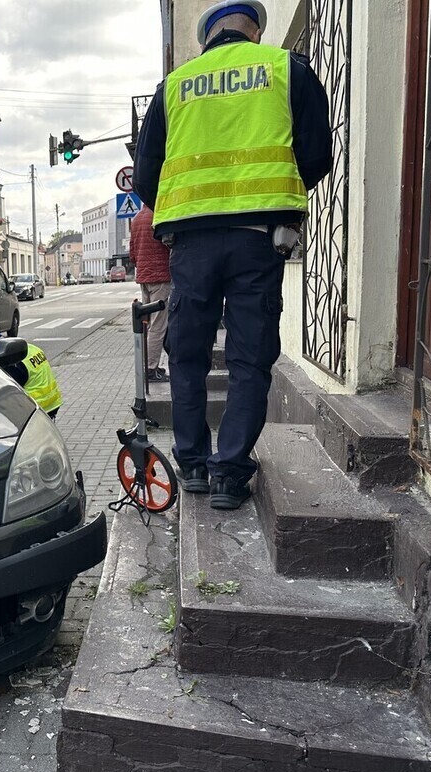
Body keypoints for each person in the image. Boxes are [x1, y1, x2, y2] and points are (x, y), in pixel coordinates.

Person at [132, 0, 333, 510]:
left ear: (208, 38)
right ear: (256, 31)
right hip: (258, 238)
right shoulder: (286, 69)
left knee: (189, 355)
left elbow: (145, 174)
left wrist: (187, 207)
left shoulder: (175, 85)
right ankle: (229, 474)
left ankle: (193, 464)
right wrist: (271, 199)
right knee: (249, 356)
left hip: (191, 247)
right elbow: (316, 156)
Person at [130, 204, 172, 382]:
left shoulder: (138, 218)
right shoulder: (161, 214)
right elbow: (170, 245)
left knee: (146, 324)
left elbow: (132, 252)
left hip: (144, 277)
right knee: (158, 325)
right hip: (161, 277)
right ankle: (150, 369)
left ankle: (147, 364)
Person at [0, 329, 62, 420]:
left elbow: (9, 387)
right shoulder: (30, 348)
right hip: (52, 402)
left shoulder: (15, 362)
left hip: (36, 407)